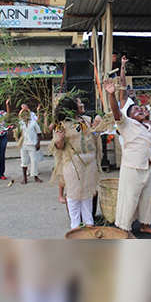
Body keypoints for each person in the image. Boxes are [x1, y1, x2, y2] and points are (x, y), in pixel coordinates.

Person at [104, 78, 151, 236]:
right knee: (130, 199)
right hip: (132, 168)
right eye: (135, 110)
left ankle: (145, 225)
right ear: (129, 116)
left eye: (141, 109)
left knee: (147, 198)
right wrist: (111, 95)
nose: (139, 110)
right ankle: (124, 228)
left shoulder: (149, 128)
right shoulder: (126, 124)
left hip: (149, 167)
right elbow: (116, 112)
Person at [52, 94, 101, 230]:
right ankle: (75, 225)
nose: (82, 104)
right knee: (74, 193)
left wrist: (98, 120)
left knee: (88, 191)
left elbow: (96, 131)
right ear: (72, 107)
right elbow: (59, 147)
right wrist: (60, 139)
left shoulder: (87, 120)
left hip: (90, 163)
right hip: (73, 163)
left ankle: (89, 222)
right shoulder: (62, 124)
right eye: (79, 103)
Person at [18, 106, 44, 185]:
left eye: (26, 114)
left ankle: (35, 176)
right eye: (23, 114)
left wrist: (38, 143)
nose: (25, 115)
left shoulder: (33, 122)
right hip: (23, 144)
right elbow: (18, 135)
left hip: (32, 144)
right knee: (24, 161)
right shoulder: (20, 123)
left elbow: (39, 133)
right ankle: (25, 177)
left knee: (33, 161)